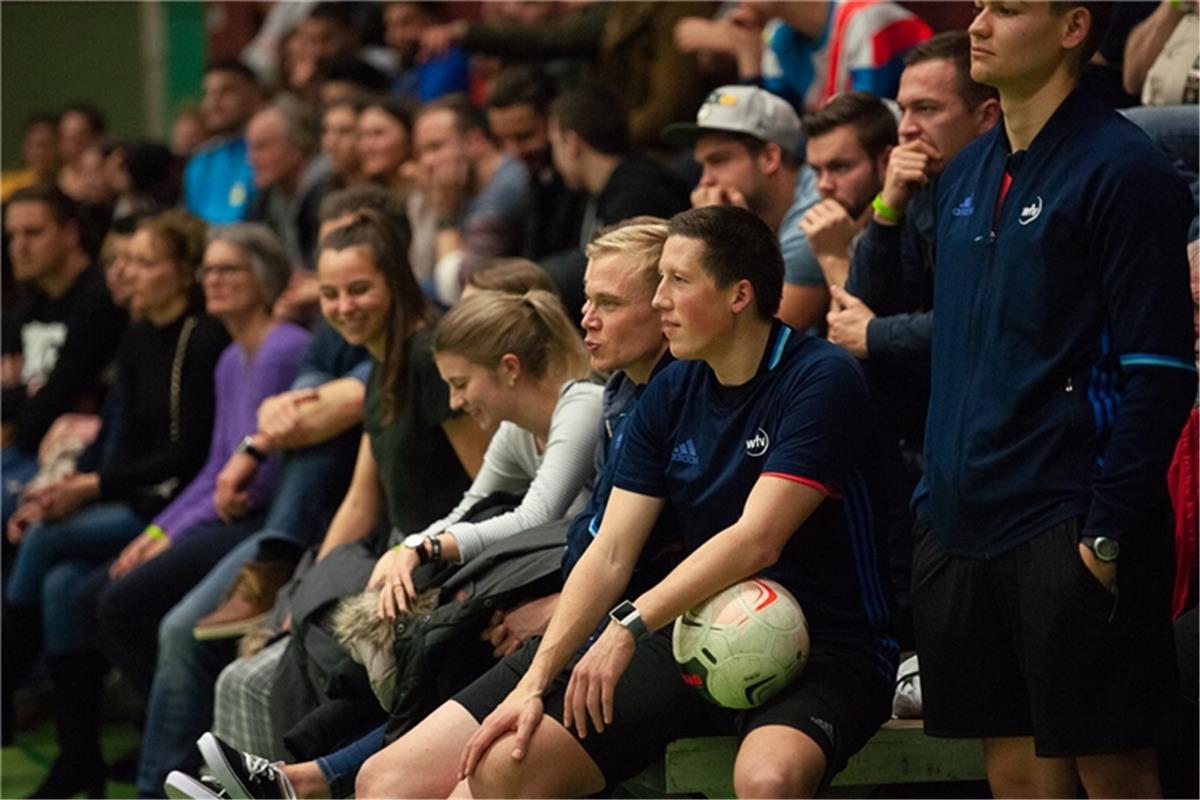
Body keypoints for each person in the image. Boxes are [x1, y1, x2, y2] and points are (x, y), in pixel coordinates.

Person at [351, 206, 895, 800]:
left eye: (677, 281)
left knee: (768, 780)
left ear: (740, 295)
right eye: (658, 280)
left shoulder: (822, 378)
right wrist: (535, 679)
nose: (660, 299)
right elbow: (610, 551)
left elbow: (756, 539)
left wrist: (628, 625)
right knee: (390, 782)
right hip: (688, 632)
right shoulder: (672, 387)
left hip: (825, 641)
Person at [165, 217, 673, 800]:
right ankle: (291, 779)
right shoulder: (608, 397)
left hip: (578, 601)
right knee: (352, 645)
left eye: (606, 301)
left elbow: (550, 525)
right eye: (329, 293)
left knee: (427, 651)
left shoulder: (592, 400)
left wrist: (426, 549)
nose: (455, 401)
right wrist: (409, 550)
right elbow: (468, 504)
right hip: (559, 591)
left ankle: (295, 780)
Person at [913, 3, 1195, 797]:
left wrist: (1105, 535)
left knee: (1116, 774)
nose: (978, 22)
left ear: (1073, 28)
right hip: (963, 522)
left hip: (1069, 519)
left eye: (1007, 7)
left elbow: (1161, 371)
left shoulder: (1126, 171)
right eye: (977, 5)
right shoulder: (966, 171)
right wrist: (933, 503)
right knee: (1015, 774)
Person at [2, 211, 229, 798]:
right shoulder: (136, 335)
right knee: (58, 586)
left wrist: (89, 492)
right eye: (123, 262)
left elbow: (188, 454)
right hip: (130, 495)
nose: (125, 273)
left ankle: (4, 682)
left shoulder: (200, 336)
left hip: (175, 506)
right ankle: (79, 757)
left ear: (183, 273)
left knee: (47, 541)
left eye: (144, 262)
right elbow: (118, 446)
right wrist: (66, 490)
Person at [825, 32, 999, 648]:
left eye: (927, 110)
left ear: (986, 115)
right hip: (925, 411)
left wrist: (874, 333)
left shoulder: (999, 187)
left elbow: (977, 318)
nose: (906, 128)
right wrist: (889, 204)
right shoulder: (927, 186)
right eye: (903, 111)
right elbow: (873, 293)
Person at [2, 185, 128, 531]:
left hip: (78, 457)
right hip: (26, 451)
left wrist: (23, 394)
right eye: (12, 235)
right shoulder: (25, 311)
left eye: (33, 233)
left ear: (70, 233)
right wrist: (26, 396)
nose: (19, 247)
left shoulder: (102, 300)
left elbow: (54, 404)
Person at [661, 84, 826, 330]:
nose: (705, 181)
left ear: (770, 157)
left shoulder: (811, 219)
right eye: (702, 166)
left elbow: (757, 335)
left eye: (719, 161)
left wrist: (723, 236)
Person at [541, 82, 691, 324]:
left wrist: (530, 278)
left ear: (571, 143)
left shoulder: (639, 191)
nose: (554, 158)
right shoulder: (593, 194)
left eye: (554, 144)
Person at [414, 94, 533, 307]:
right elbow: (421, 268)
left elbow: (456, 289)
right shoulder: (464, 190)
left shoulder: (505, 188)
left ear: (475, 141)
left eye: (435, 147)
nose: (426, 162)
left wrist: (445, 214)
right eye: (421, 152)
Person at [484, 66, 588, 264]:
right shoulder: (534, 179)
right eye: (502, 141)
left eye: (524, 137)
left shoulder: (581, 182)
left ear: (554, 123)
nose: (513, 152)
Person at [799, 92, 896, 293]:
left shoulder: (908, 233)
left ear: (885, 162)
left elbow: (852, 322)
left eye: (840, 167)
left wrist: (833, 257)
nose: (824, 185)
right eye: (817, 171)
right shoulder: (840, 228)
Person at [245, 95, 333, 270]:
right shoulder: (266, 198)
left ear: (298, 147)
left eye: (262, 147)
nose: (250, 160)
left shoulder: (331, 192)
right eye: (250, 148)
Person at [184, 59, 262, 224]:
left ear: (254, 94)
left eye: (226, 92)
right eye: (207, 94)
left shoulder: (266, 153)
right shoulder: (200, 162)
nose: (213, 103)